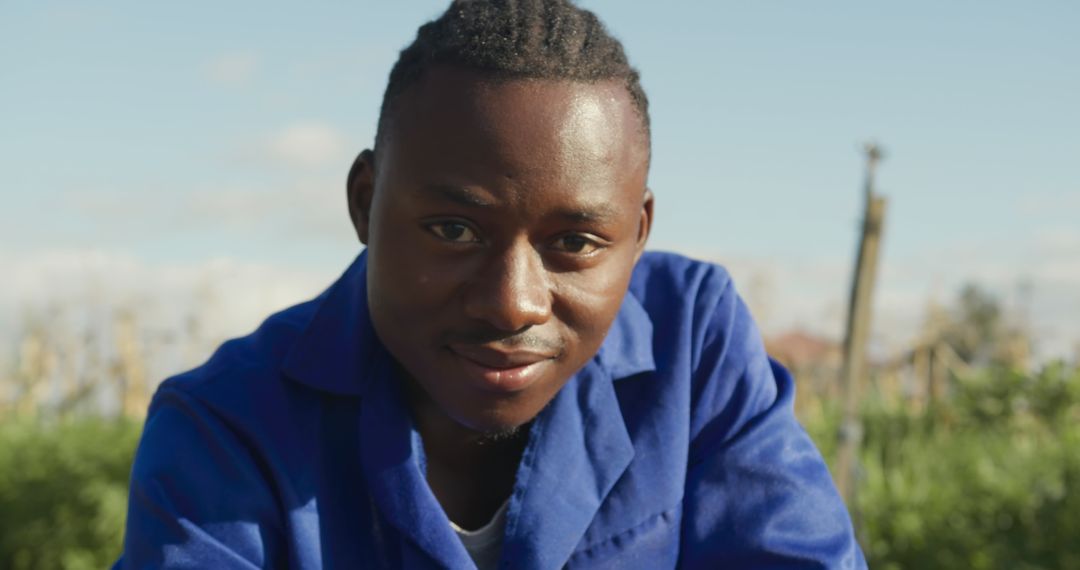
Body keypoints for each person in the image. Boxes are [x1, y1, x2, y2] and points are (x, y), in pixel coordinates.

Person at [116, 1, 865, 568]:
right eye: (454, 230)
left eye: (574, 243)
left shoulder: (692, 345)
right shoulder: (228, 426)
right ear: (364, 204)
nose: (513, 301)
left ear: (636, 235)